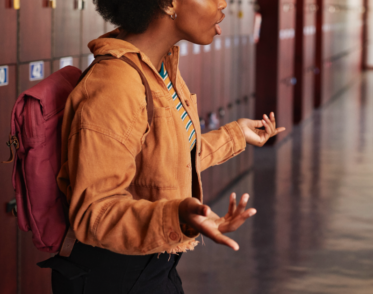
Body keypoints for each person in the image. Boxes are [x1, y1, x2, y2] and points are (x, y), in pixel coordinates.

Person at [44, 0, 285, 292]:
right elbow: (96, 212)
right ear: (170, 3)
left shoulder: (158, 69)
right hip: (112, 276)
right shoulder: (116, 85)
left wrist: (236, 135)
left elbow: (170, 157)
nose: (223, 4)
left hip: (154, 266)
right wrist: (177, 216)